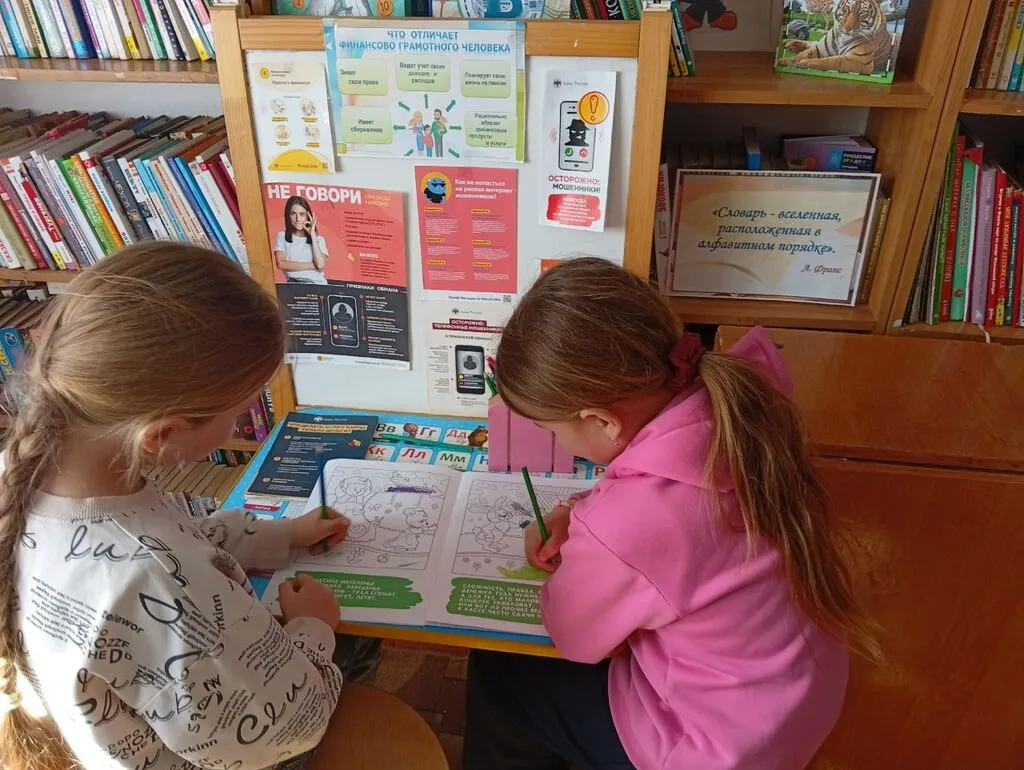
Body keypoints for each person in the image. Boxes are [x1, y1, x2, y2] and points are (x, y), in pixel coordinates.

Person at [464, 257, 880, 770]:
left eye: (553, 430)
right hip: (791, 703)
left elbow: (575, 637)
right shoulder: (738, 401)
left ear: (602, 421)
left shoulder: (628, 524)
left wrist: (586, 542)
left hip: (712, 748)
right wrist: (578, 511)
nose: (556, 441)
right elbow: (668, 503)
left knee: (501, 669)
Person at [0, 243, 355, 770]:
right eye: (239, 413)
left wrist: (281, 535)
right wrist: (313, 629)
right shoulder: (154, 580)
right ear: (161, 436)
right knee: (359, 648)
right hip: (246, 748)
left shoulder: (31, 469)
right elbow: (290, 726)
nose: (238, 426)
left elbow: (170, 535)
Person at [274, 195, 329, 284]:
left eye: (302, 214)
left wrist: (312, 235)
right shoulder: (282, 236)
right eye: (293, 213)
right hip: (293, 284)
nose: (297, 219)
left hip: (317, 284)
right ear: (288, 215)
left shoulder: (319, 239)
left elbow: (320, 264)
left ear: (308, 216)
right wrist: (313, 265)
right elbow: (281, 264)